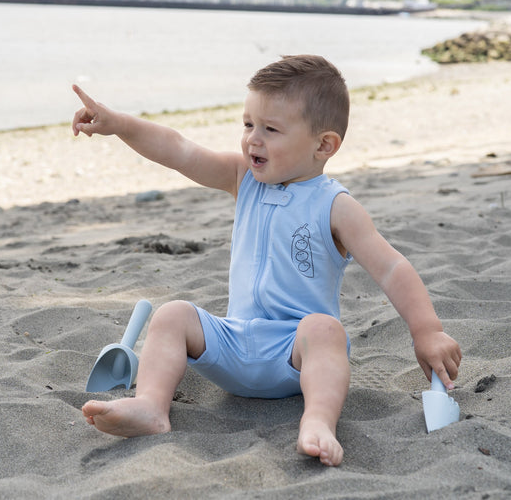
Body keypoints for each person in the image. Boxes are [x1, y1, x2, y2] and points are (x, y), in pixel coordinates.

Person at [73, 54, 461, 467]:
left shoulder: (335, 205)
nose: (252, 140)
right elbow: (179, 149)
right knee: (173, 314)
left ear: (323, 145)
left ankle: (317, 421)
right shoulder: (243, 177)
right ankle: (151, 405)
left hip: (294, 355)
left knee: (326, 329)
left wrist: (427, 331)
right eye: (247, 124)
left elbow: (391, 267)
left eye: (270, 129)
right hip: (232, 344)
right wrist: (120, 126)